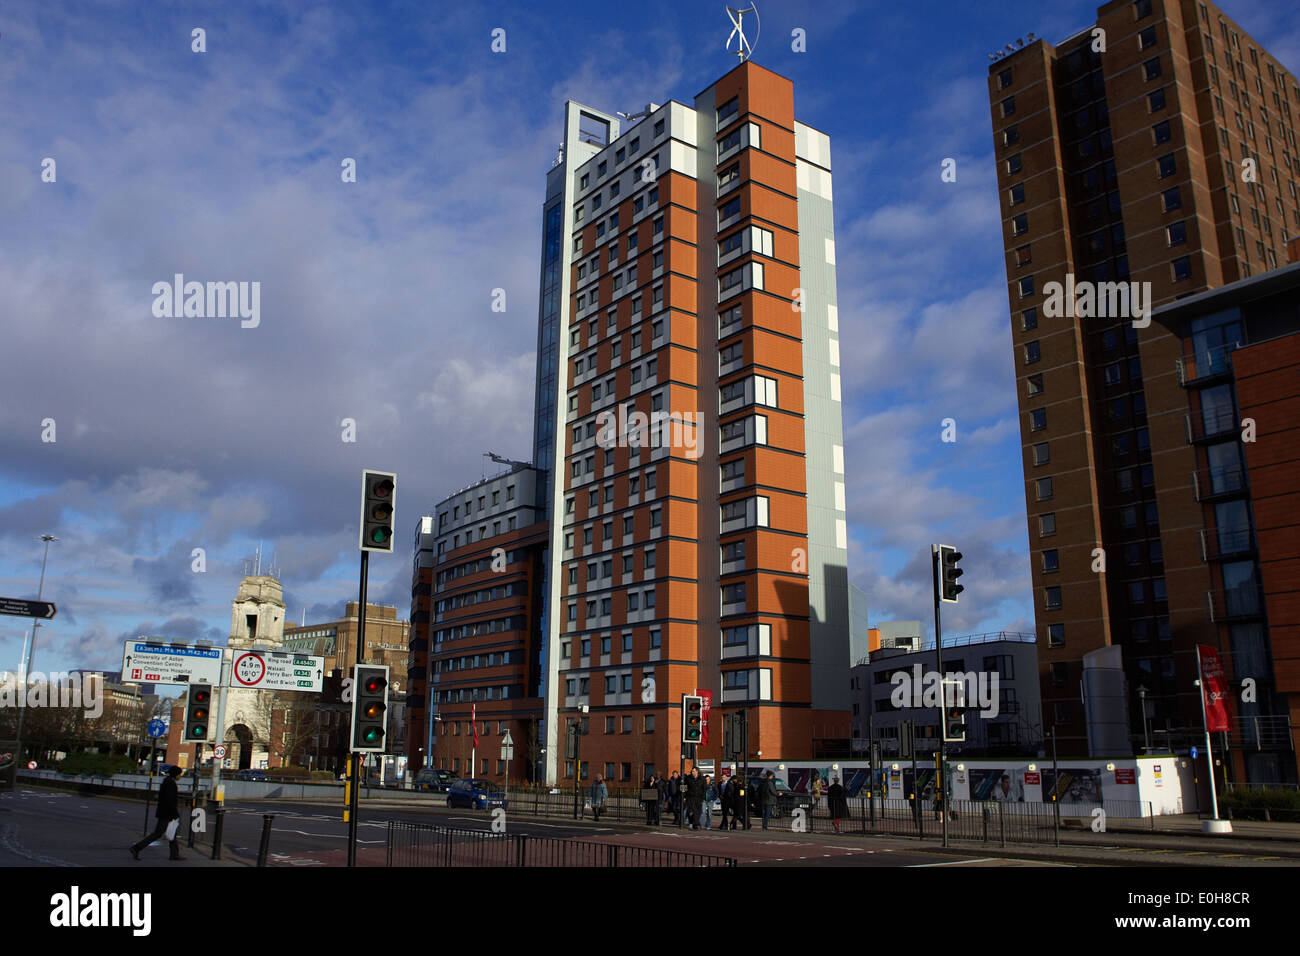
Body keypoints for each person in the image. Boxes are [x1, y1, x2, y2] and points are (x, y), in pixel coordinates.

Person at [130, 765, 185, 861]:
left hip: (165, 812)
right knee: (158, 833)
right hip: (167, 813)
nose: (180, 776)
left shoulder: (167, 781)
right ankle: (137, 848)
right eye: (179, 774)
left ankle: (174, 854)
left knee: (172, 833)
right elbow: (170, 800)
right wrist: (175, 813)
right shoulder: (170, 783)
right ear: (176, 774)